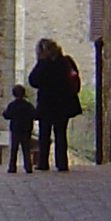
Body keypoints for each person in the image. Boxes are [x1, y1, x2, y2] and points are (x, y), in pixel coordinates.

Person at [28, 38, 85, 172]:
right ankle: (62, 163)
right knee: (61, 134)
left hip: (47, 103)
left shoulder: (43, 64)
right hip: (63, 104)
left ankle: (43, 162)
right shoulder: (66, 61)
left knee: (44, 134)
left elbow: (33, 81)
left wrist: (40, 63)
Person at [2, 84, 39, 173]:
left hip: (15, 129)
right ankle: (28, 167)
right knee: (26, 148)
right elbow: (35, 115)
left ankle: (12, 167)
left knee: (14, 148)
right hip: (26, 129)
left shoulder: (12, 105)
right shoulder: (28, 105)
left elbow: (6, 115)